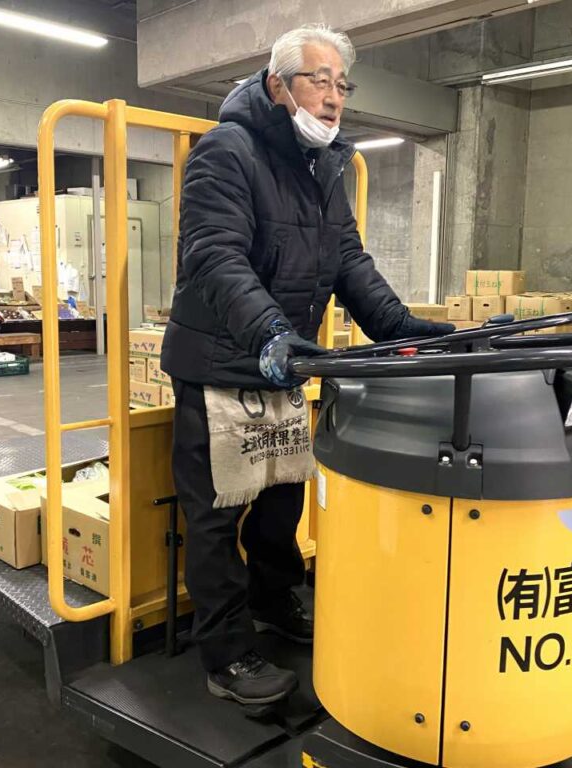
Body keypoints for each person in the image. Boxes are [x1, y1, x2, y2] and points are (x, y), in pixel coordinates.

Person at [160, 24, 454, 706]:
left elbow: (347, 259)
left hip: (284, 361)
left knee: (281, 499)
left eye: (342, 84)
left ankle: (273, 600)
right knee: (216, 515)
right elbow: (214, 256)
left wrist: (399, 328)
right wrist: (270, 330)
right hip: (221, 361)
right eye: (319, 81)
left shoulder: (325, 166)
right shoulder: (226, 151)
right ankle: (226, 657)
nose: (334, 96)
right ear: (277, 85)